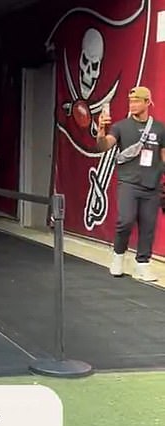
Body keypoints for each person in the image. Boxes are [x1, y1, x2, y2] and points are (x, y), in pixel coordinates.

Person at [97, 86, 165, 282]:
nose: (133, 105)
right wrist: (101, 129)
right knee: (125, 220)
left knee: (148, 227)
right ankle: (118, 257)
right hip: (129, 183)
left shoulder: (160, 128)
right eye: (131, 101)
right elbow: (103, 146)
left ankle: (142, 265)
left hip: (152, 185)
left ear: (147, 103)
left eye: (137, 101)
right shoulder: (120, 127)